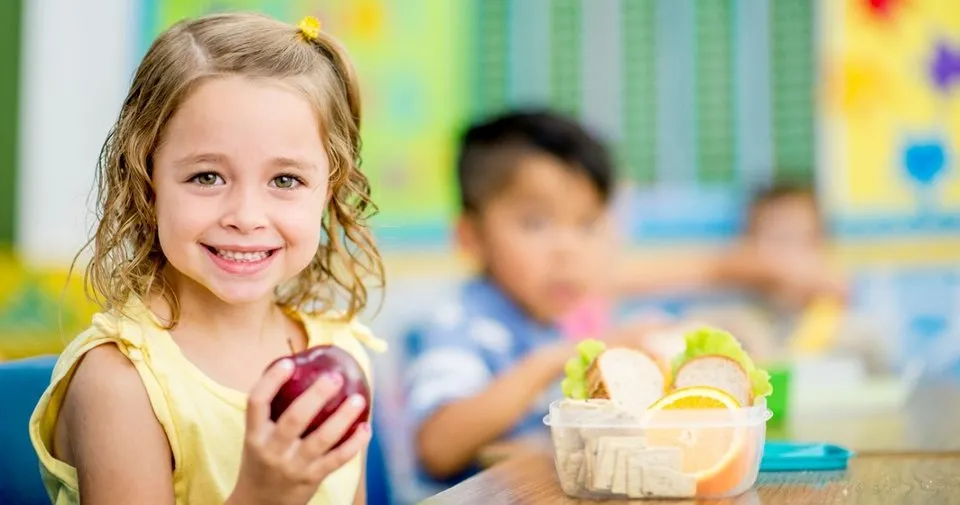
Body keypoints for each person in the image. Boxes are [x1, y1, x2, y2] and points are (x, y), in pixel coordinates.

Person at [28, 13, 386, 505]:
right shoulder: (121, 383)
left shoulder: (342, 353)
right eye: (207, 177)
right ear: (146, 181)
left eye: (285, 180)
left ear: (330, 190)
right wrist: (263, 495)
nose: (245, 216)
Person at [400, 110, 668, 498]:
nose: (568, 250)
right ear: (471, 237)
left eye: (587, 225)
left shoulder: (547, 322)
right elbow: (437, 448)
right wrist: (551, 361)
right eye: (536, 223)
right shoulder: (461, 325)